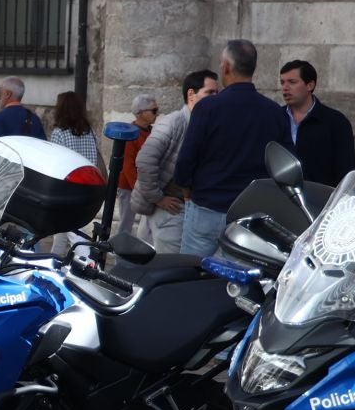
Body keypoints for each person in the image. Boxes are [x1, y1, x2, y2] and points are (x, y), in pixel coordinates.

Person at [172, 40, 294, 257]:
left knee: (191, 276)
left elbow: (187, 158)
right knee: (241, 279)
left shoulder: (208, 108)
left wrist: (186, 189)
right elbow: (286, 164)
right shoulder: (274, 112)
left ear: (227, 66)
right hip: (251, 212)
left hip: (207, 207)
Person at [131, 71, 218, 254]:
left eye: (217, 93)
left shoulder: (205, 123)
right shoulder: (173, 122)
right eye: (210, 93)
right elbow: (145, 160)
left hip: (190, 211)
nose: (216, 98)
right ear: (191, 95)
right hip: (171, 211)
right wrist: (158, 198)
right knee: (171, 268)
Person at [279, 59, 355, 186]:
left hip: (320, 198)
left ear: (310, 85)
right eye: (282, 82)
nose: (285, 88)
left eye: (292, 82)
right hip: (281, 196)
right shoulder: (276, 118)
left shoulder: (335, 122)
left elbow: (346, 170)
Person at [115, 93, 160, 235]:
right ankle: (119, 252)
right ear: (140, 113)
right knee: (126, 222)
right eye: (153, 110)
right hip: (129, 186)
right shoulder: (131, 134)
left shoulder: (151, 131)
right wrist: (140, 187)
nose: (156, 113)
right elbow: (127, 166)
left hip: (145, 185)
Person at [47, 91, 99, 166]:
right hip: (89, 176)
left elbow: (54, 162)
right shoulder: (91, 132)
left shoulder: (59, 133)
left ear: (61, 110)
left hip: (69, 176)